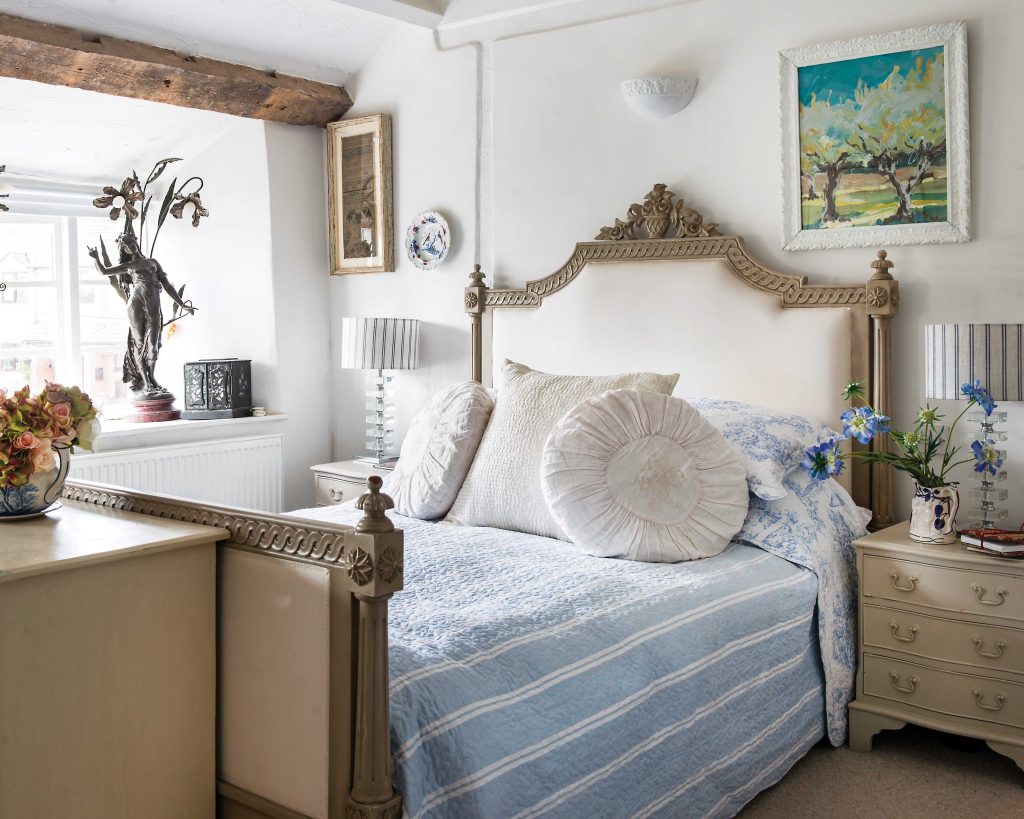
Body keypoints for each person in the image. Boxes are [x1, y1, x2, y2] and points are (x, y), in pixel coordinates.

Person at [86, 232, 196, 398]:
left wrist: (182, 304)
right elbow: (104, 271)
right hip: (136, 305)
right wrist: (96, 258)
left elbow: (167, 285)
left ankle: (151, 378)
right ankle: (147, 382)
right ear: (124, 250)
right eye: (126, 247)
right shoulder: (128, 266)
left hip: (153, 305)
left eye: (131, 243)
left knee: (154, 343)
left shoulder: (152, 262)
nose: (130, 247)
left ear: (135, 242)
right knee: (138, 343)